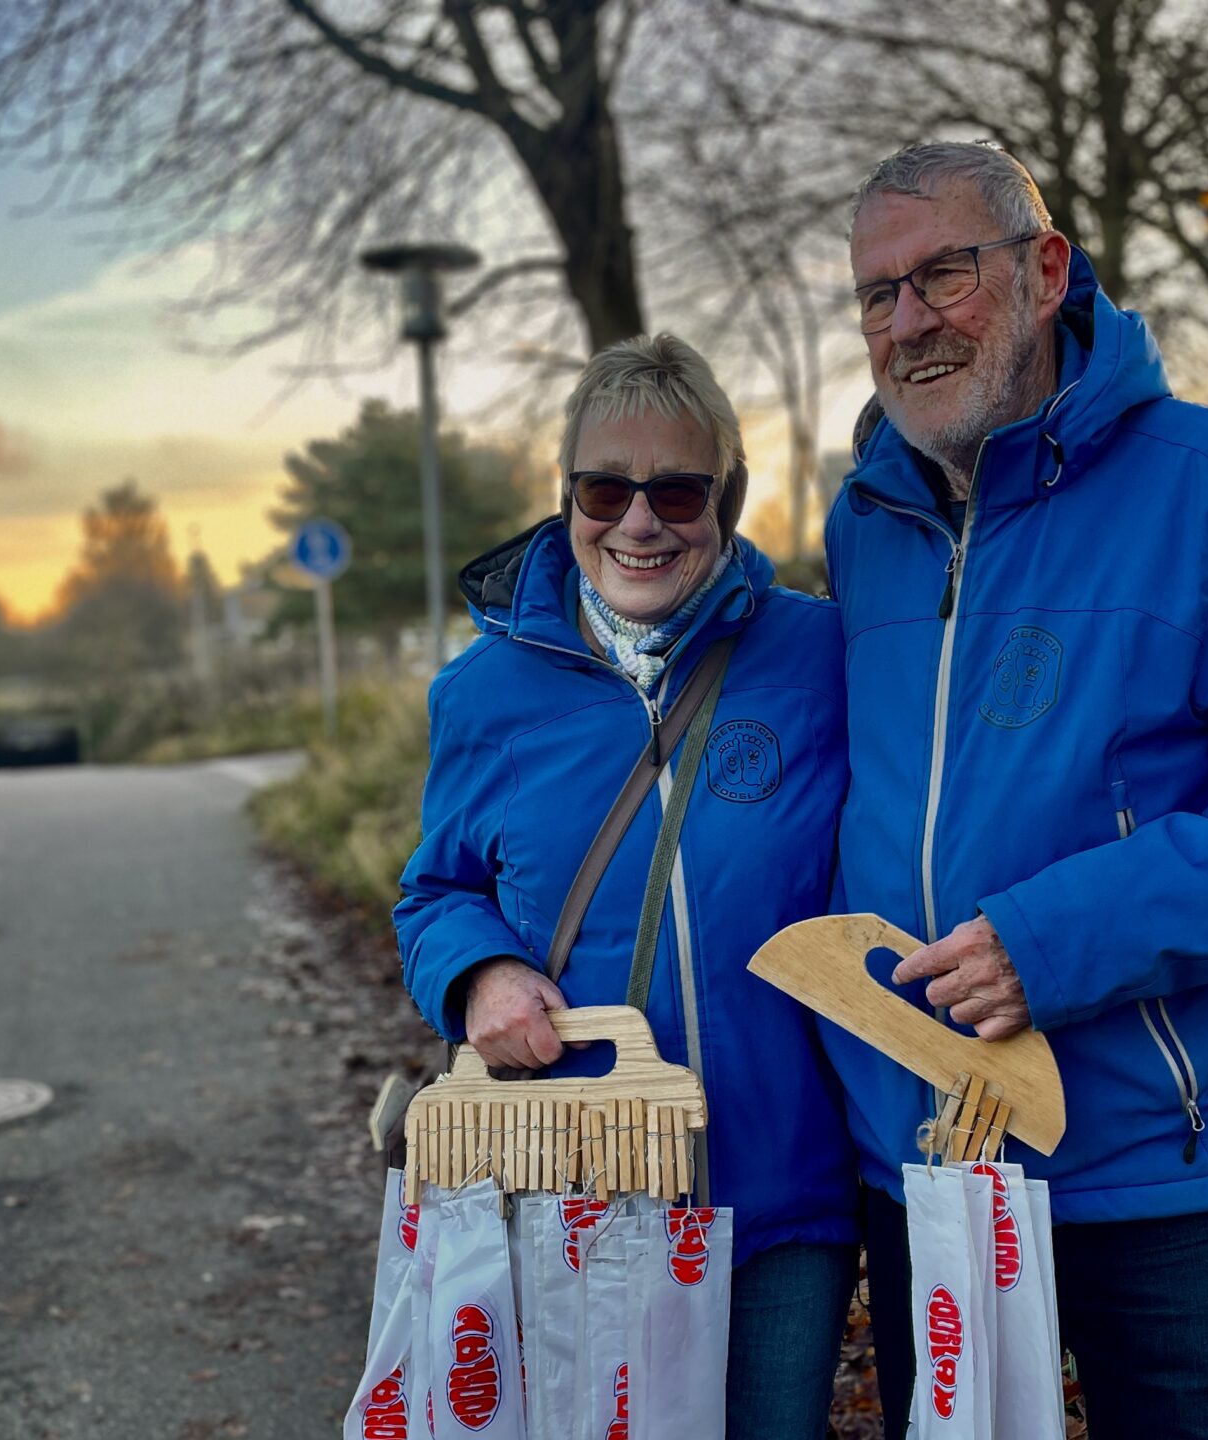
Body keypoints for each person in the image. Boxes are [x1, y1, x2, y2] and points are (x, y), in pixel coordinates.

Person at [820, 141, 1208, 1438]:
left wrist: (1051, 942)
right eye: (879, 294)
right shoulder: (863, 524)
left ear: (1045, 271)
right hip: (929, 1166)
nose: (908, 321)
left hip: (1165, 1167)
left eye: (943, 276)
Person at [394, 333, 860, 1440]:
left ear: (728, 498)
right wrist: (481, 976)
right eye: (605, 488)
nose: (638, 521)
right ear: (566, 501)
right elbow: (434, 892)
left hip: (779, 1195)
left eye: (677, 489)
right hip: (570, 1184)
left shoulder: (820, 656)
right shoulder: (485, 693)